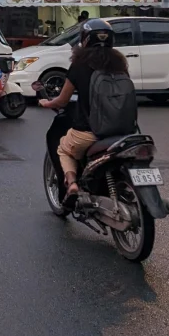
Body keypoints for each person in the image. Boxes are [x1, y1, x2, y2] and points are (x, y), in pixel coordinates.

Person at [39, 18, 131, 202]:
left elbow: (63, 100)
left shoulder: (79, 65)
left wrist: (46, 103)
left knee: (63, 149)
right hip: (124, 131)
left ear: (85, 39)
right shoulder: (120, 63)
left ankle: (72, 183)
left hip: (90, 133)